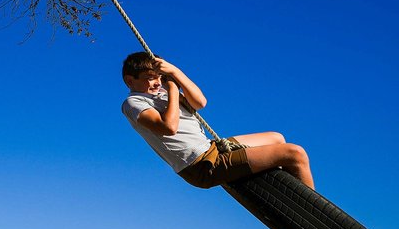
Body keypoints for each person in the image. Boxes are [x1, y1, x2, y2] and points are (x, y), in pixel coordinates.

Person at [121, 52, 314, 190]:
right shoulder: (134, 102)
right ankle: (316, 215)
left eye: (159, 77)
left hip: (210, 148)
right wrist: (172, 90)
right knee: (295, 153)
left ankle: (288, 192)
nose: (156, 82)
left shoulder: (162, 93)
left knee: (277, 138)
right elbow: (169, 128)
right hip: (199, 165)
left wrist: (176, 73)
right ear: (130, 81)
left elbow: (200, 102)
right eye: (149, 78)